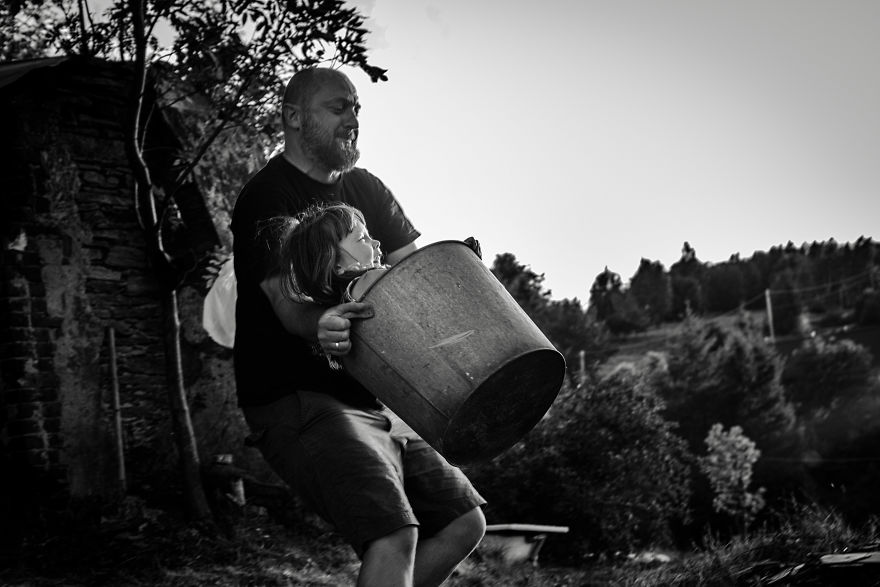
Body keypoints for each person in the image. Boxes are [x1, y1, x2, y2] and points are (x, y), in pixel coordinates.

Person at [231, 67, 486, 587]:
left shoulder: (366, 189)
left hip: (373, 393)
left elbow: (413, 282)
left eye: (356, 107)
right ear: (295, 117)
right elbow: (284, 300)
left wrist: (462, 284)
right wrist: (320, 322)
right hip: (297, 395)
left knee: (462, 522)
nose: (353, 117)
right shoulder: (267, 197)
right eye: (338, 107)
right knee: (395, 534)